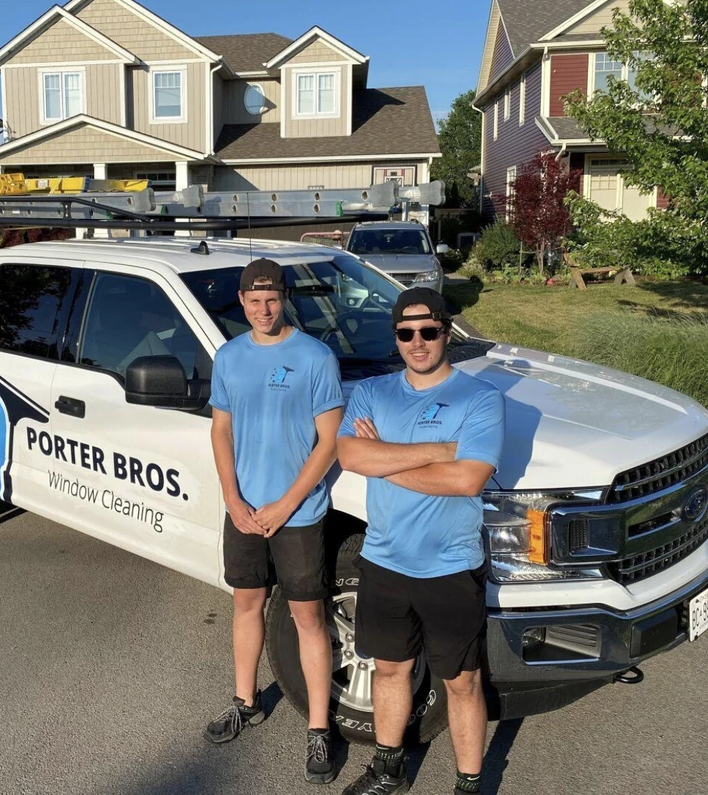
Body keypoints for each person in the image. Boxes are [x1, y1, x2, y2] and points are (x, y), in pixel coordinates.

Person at [336, 287, 504, 795]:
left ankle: (468, 783)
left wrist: (384, 457)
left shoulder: (480, 398)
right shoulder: (371, 392)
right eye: (406, 333)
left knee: (462, 681)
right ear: (396, 337)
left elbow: (466, 480)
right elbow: (350, 457)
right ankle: (389, 769)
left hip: (450, 567)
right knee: (389, 670)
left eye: (428, 331)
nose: (417, 341)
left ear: (446, 332)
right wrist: (437, 450)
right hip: (384, 560)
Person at [204, 258, 345, 785]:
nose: (263, 310)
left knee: (308, 617)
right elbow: (221, 431)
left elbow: (328, 441)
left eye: (272, 300)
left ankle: (318, 726)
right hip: (242, 508)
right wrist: (232, 498)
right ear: (241, 302)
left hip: (298, 513)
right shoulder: (229, 356)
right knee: (247, 604)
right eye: (253, 301)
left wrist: (286, 504)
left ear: (284, 298)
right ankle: (245, 700)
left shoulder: (314, 356)